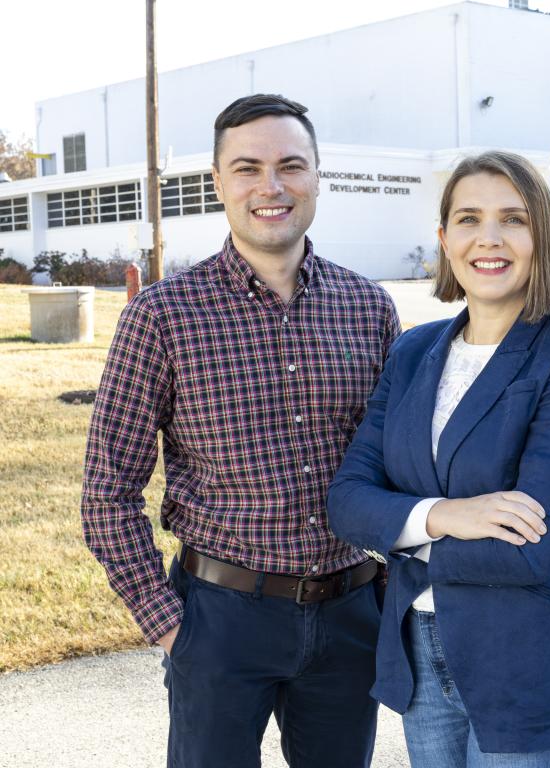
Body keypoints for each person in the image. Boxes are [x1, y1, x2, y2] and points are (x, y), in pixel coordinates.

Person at [81, 94, 400, 768]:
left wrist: (384, 589)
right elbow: (107, 492)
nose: (271, 186)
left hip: (349, 615)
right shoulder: (163, 316)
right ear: (219, 182)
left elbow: (395, 469)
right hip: (220, 618)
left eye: (291, 165)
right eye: (248, 168)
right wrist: (170, 626)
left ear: (318, 176)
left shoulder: (368, 307)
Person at [327, 150, 550, 767]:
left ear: (543, 236)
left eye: (512, 219)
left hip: (532, 663)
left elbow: (538, 549)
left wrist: (401, 530)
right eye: (468, 219)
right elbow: (348, 502)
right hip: (419, 656)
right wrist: (444, 516)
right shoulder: (412, 352)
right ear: (444, 238)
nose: (488, 238)